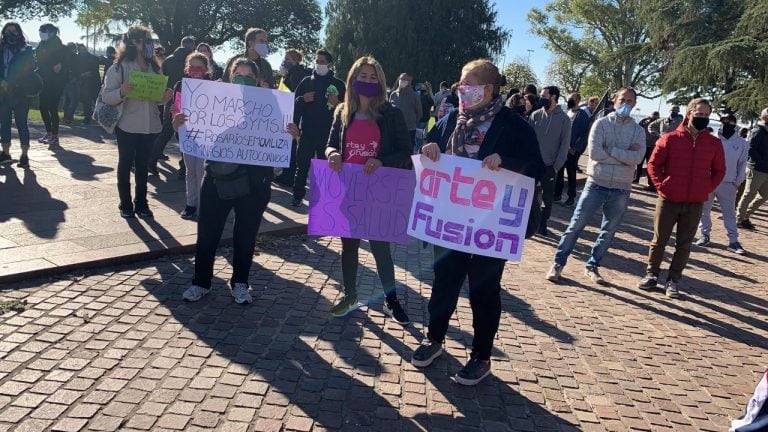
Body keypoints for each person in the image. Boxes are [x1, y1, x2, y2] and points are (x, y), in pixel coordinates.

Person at [412, 59, 543, 386]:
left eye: (466, 82)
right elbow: (430, 147)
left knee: (484, 291)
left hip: (489, 228)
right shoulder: (451, 121)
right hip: (451, 223)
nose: (459, 88)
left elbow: (540, 168)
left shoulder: (514, 125)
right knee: (444, 282)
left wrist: (508, 163)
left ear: (487, 89)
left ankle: (481, 356)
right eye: (459, 82)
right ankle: (435, 339)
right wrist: (428, 148)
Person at [177, 58, 300, 304]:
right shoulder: (214, 102)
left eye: (248, 75)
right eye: (238, 74)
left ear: (256, 79)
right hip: (217, 177)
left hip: (254, 183)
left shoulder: (271, 104)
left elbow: (278, 141)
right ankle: (201, 283)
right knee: (207, 234)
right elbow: (198, 136)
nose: (242, 78)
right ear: (230, 77)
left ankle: (240, 283)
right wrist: (180, 126)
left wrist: (293, 135)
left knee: (245, 236)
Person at [323, 56, 411, 321]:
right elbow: (329, 144)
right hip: (348, 188)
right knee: (348, 246)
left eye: (374, 78)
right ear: (353, 79)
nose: (368, 82)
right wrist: (332, 154)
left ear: (381, 83)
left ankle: (391, 299)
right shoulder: (342, 112)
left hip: (378, 190)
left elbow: (406, 151)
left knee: (380, 246)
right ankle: (350, 294)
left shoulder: (392, 113)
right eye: (363, 77)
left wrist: (382, 160)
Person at [546, 88, 646, 284]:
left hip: (622, 188)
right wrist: (624, 155)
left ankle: (592, 265)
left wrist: (611, 150)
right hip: (596, 184)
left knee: (608, 232)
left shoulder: (638, 131)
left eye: (630, 100)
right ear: (614, 101)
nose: (625, 103)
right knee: (575, 226)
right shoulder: (600, 124)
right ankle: (558, 263)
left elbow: (638, 157)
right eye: (622, 99)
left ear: (634, 104)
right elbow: (596, 154)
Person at [638, 98, 725, 298]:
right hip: (669, 199)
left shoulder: (713, 144)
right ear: (689, 113)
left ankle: (673, 279)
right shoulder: (670, 138)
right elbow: (653, 164)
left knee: (684, 244)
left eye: (706, 115)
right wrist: (662, 186)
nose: (702, 118)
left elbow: (719, 171)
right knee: (659, 240)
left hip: (695, 202)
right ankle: (652, 274)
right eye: (699, 113)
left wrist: (705, 189)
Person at [102, 26, 172, 219]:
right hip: (126, 124)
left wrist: (165, 98)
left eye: (150, 40)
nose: (148, 44)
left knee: (143, 165)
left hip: (150, 125)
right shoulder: (119, 67)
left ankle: (141, 202)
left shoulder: (155, 68)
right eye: (143, 40)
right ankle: (125, 203)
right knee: (125, 162)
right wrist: (122, 91)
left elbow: (156, 98)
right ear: (133, 42)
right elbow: (107, 97)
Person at [290, 49, 345, 207]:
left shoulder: (339, 85)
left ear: (329, 64)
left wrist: (337, 104)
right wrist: (302, 99)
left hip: (327, 135)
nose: (319, 64)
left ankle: (323, 199)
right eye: (317, 61)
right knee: (302, 166)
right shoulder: (307, 82)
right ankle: (297, 195)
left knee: (325, 168)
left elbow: (347, 110)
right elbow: (293, 104)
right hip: (306, 132)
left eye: (322, 62)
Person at [696, 114, 748, 253]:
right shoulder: (713, 139)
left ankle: (733, 241)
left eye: (729, 122)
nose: (726, 125)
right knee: (704, 210)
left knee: (729, 213)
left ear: (735, 124)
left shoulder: (742, 143)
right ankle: (704, 234)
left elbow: (742, 164)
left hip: (728, 184)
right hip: (709, 181)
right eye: (723, 122)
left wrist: (737, 182)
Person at [169, 52, 210, 220]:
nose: (195, 70)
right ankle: (191, 204)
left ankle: (204, 206)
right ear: (187, 67)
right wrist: (175, 115)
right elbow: (176, 107)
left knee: (202, 172)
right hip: (186, 133)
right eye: (192, 66)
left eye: (199, 67)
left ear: (206, 69)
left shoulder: (213, 86)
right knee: (190, 171)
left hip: (205, 136)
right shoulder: (180, 85)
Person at [149, 36, 195, 174]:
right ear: (192, 46)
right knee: (186, 133)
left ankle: (151, 161)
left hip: (170, 98)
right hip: (189, 99)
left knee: (166, 131)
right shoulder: (192, 60)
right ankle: (183, 168)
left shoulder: (168, 60)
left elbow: (161, 79)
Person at [529, 85, 571, 235]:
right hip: (534, 165)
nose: (541, 99)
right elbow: (530, 139)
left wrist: (556, 167)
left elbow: (564, 145)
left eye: (544, 96)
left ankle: (543, 223)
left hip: (550, 167)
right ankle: (529, 223)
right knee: (529, 196)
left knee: (547, 200)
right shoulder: (535, 115)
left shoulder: (564, 119)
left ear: (553, 97)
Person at [273, 48, 312, 187]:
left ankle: (288, 176)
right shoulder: (294, 73)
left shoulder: (296, 74)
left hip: (294, 113)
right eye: (285, 58)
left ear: (296, 61)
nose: (285, 61)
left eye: (289, 59)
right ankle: (287, 174)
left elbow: (294, 94)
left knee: (291, 145)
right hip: (291, 112)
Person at [0, 22, 36, 167]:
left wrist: (12, 81)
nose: (10, 34)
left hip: (20, 93)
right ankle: (6, 152)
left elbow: (29, 69)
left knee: (22, 123)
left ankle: (24, 154)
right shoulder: (1, 48)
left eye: (14, 31)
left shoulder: (26, 50)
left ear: (19, 33)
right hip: (3, 92)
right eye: (7, 31)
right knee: (4, 123)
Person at [35, 23, 70, 149]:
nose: (41, 33)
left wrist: (61, 65)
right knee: (42, 106)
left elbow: (70, 61)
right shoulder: (41, 45)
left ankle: (55, 136)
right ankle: (48, 133)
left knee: (52, 107)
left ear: (51, 32)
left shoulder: (61, 47)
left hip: (56, 82)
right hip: (43, 80)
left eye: (43, 31)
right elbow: (36, 59)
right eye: (40, 31)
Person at [554, 92, 590, 207]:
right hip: (562, 148)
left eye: (572, 99)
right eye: (568, 98)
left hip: (572, 150)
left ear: (578, 100)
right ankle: (557, 194)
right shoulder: (566, 113)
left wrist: (575, 147)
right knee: (559, 172)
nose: (569, 100)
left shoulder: (583, 115)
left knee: (571, 173)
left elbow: (584, 134)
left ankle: (571, 197)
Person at [736, 107, 768, 230]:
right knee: (749, 194)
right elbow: (751, 148)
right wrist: (762, 162)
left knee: (764, 195)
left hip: (765, 170)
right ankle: (739, 219)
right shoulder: (758, 130)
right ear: (765, 117)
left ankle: (745, 216)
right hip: (756, 169)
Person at [388, 72, 421, 149]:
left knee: (408, 151)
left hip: (409, 130)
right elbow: (389, 111)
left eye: (406, 80)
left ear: (410, 82)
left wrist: (412, 122)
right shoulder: (393, 94)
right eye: (402, 79)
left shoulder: (415, 96)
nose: (403, 81)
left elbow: (419, 113)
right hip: (394, 129)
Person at [74, 43, 100, 125]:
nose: (83, 51)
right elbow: (76, 71)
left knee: (97, 100)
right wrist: (82, 74)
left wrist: (90, 73)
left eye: (84, 49)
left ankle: (99, 117)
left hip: (94, 82)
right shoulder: (77, 59)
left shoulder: (93, 58)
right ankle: (87, 118)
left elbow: (95, 69)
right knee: (86, 101)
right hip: (84, 83)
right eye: (81, 49)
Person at [635, 111, 660, 185]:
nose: (654, 117)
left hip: (652, 147)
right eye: (653, 115)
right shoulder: (644, 121)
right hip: (643, 145)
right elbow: (637, 129)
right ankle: (636, 179)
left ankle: (650, 183)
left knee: (650, 164)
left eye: (656, 116)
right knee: (639, 163)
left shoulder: (659, 123)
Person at [415, 82, 434, 152]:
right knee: (418, 135)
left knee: (418, 136)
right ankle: (418, 149)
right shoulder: (421, 95)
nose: (422, 86)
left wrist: (430, 91)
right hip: (422, 118)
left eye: (424, 86)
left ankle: (418, 150)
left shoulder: (424, 96)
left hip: (422, 119)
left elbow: (433, 102)